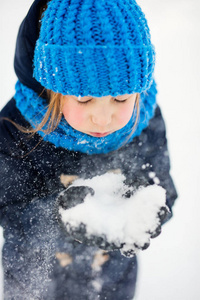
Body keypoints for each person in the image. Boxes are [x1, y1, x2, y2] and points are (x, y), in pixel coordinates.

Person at [0, 0, 178, 299]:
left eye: (121, 99)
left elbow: (162, 187)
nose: (103, 117)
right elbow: (8, 204)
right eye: (84, 99)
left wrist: (145, 210)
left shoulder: (144, 121)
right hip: (35, 279)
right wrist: (58, 217)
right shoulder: (18, 127)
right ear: (52, 88)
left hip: (112, 278)